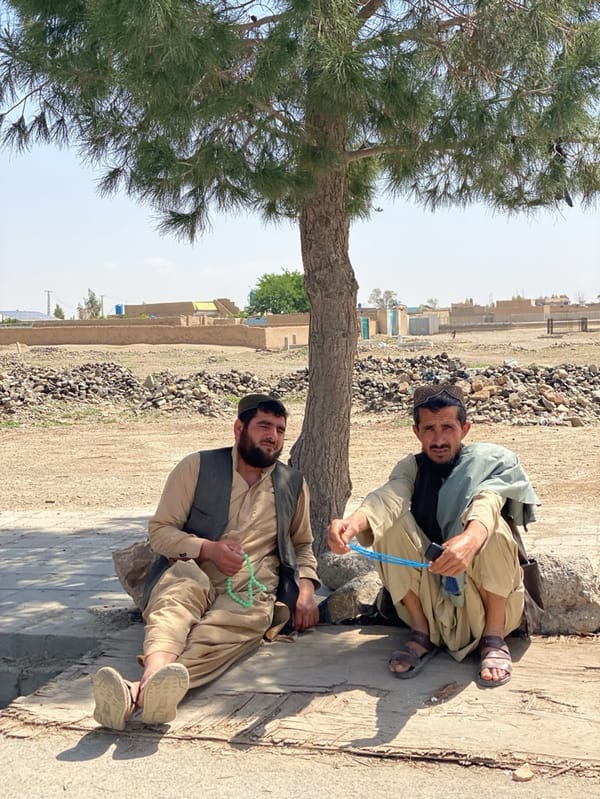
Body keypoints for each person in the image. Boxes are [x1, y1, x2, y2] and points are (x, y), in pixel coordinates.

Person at [93, 394, 320, 730]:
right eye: (264, 426)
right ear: (239, 428)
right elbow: (160, 532)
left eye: (280, 430)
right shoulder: (196, 468)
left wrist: (305, 589)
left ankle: (137, 690)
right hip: (192, 569)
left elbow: (302, 544)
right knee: (174, 605)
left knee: (224, 631)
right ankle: (155, 683)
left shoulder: (292, 484)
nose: (273, 436)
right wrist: (208, 549)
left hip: (250, 585)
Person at [328, 383, 539, 688]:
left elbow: (487, 502)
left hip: (481, 603)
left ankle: (493, 640)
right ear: (417, 431)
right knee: (390, 524)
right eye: (429, 429)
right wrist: (354, 523)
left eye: (447, 428)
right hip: (432, 599)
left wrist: (469, 540)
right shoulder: (411, 467)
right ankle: (420, 633)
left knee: (493, 531)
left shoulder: (489, 463)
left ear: (464, 429)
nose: (438, 439)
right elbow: (390, 496)